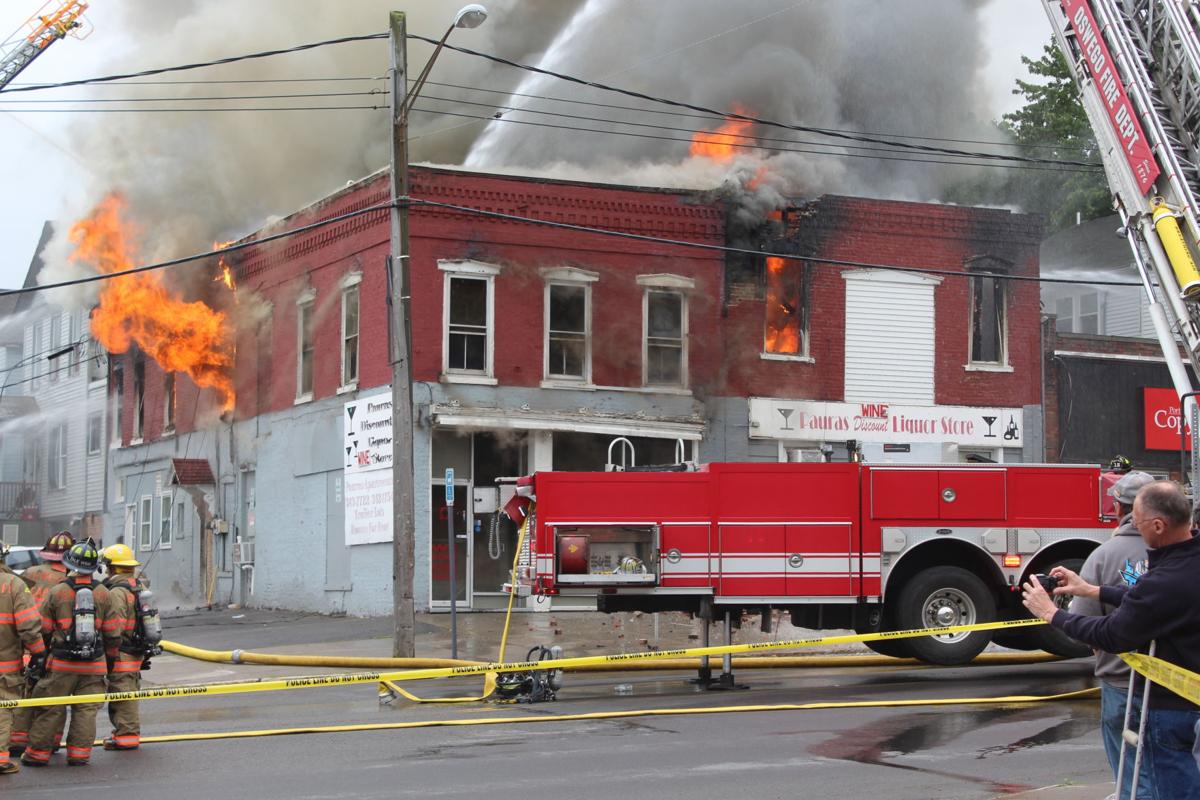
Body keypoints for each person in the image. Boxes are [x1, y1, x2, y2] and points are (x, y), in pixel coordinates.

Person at [1023, 481, 1200, 799]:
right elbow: (1155, 601)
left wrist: (1051, 614)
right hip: (1190, 700)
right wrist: (1092, 590)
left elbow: (1113, 634)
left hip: (1171, 707)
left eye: (1137, 522)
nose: (1135, 529)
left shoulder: (1163, 580)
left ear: (1158, 525)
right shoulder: (1185, 565)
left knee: (1169, 789)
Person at [1068, 470, 1155, 799]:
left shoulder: (1103, 556)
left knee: (1129, 776)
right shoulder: (1180, 554)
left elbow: (1082, 623)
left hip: (1120, 681)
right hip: (1176, 686)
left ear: (1119, 508)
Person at [22, 541, 117, 768]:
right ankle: (79, 755)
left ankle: (38, 754)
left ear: (69, 564)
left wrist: (41, 656)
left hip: (61, 664)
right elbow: (113, 634)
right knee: (86, 710)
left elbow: (44, 629)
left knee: (50, 708)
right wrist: (110, 661)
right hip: (94, 664)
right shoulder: (104, 593)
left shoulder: (57, 592)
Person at [10, 530, 73, 758]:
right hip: (50, 646)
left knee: (24, 693)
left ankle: (17, 740)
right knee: (52, 697)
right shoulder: (67, 581)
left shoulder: (29, 572)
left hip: (24, 643)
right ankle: (51, 740)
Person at [100, 544, 154, 751]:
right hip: (136, 650)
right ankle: (125, 733)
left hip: (122, 652)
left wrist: (107, 651)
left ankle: (126, 736)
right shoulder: (138, 586)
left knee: (123, 695)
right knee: (128, 692)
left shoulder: (117, 592)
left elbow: (116, 627)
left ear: (112, 567)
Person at [0, 543, 46, 775]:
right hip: (5, 668)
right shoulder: (13, 585)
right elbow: (28, 625)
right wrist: (39, 652)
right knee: (3, 710)